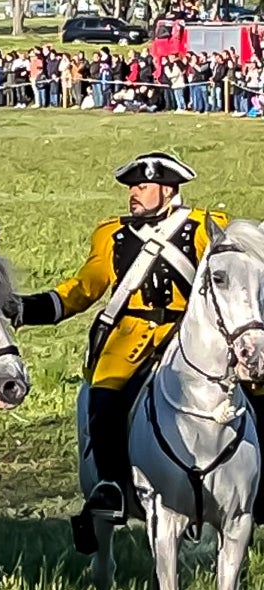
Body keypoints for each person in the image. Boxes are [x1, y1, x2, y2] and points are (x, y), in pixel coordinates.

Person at [18, 152, 229, 540]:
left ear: (167, 190)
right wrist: (24, 308)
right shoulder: (111, 234)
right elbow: (83, 290)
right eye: (132, 186)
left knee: (252, 388)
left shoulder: (205, 226)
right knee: (105, 392)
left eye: (142, 186)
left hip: (191, 333)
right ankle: (111, 487)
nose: (134, 193)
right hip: (130, 337)